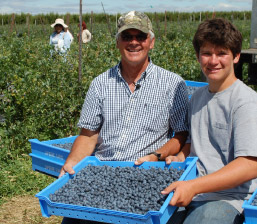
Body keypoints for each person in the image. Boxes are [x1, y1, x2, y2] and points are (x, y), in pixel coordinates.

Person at [60, 10, 189, 224]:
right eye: (127, 36)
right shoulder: (100, 84)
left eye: (140, 36)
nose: (134, 42)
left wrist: (156, 156)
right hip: (102, 172)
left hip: (147, 173)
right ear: (118, 42)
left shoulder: (172, 84)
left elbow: (182, 135)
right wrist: (71, 163)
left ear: (151, 42)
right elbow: (88, 135)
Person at [163, 18, 257, 224]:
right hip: (193, 189)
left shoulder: (245, 104)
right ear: (198, 56)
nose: (213, 61)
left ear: (236, 56)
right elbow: (194, 143)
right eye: (206, 53)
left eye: (222, 53)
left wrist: (194, 186)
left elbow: (249, 166)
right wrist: (180, 156)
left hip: (228, 197)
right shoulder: (197, 98)